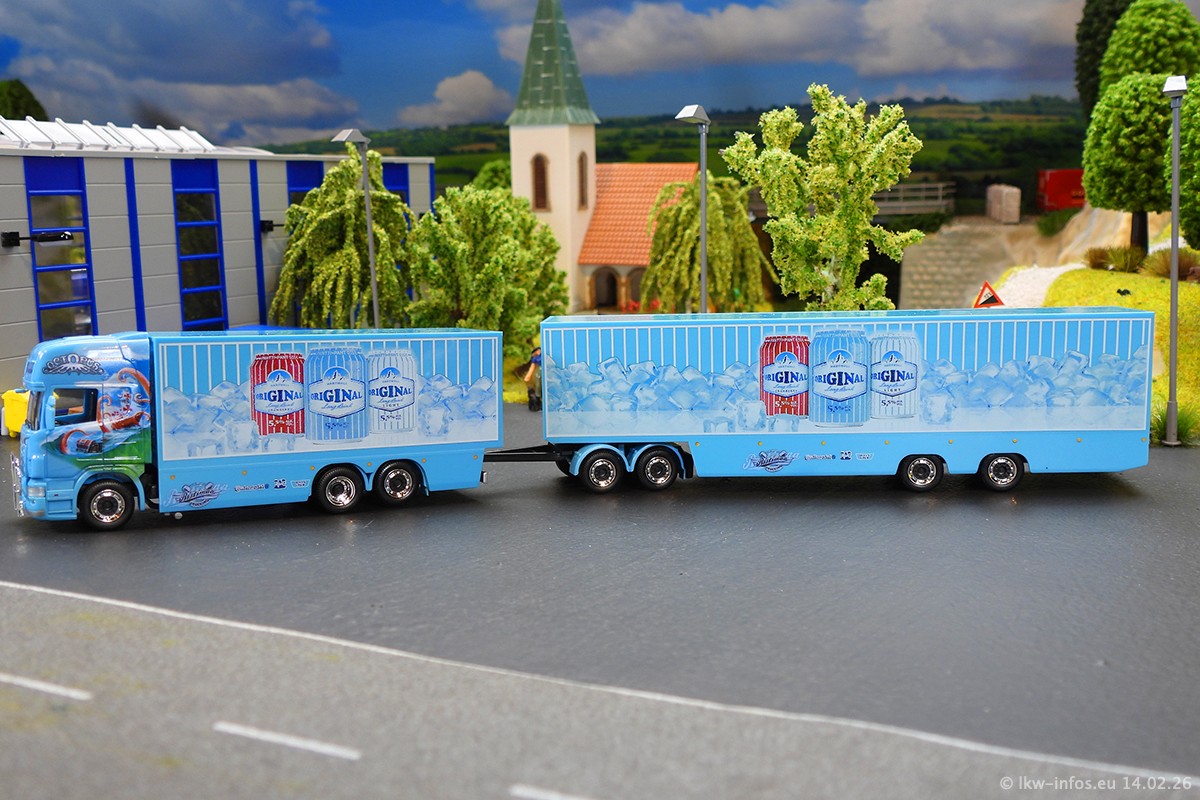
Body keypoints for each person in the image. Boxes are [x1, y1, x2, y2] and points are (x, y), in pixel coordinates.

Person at [516, 346, 542, 411]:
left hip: (548, 370)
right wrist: (528, 376)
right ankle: (538, 400)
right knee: (538, 385)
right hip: (540, 370)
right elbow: (532, 367)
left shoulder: (545, 355)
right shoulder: (535, 358)